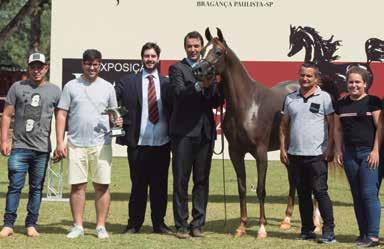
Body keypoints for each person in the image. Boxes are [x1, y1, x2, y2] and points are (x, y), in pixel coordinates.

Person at [54, 49, 120, 239]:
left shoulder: (108, 87)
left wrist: (117, 121)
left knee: (102, 186)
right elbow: (61, 114)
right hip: (75, 143)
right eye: (88, 64)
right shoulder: (70, 86)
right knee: (77, 186)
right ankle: (78, 226)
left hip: (101, 144)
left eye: (95, 64)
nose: (92, 67)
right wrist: (60, 142)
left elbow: (114, 114)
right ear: (82, 64)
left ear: (100, 65)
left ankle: (100, 226)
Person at [168, 31, 223, 239]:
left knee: (202, 180)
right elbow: (179, 94)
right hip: (182, 134)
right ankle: (181, 225)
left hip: (205, 134)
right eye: (189, 46)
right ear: (185, 48)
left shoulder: (209, 68)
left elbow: (215, 102)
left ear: (201, 47)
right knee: (181, 181)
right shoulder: (177, 68)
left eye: (196, 46)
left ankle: (198, 224)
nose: (193, 49)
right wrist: (200, 85)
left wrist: (215, 88)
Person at [0, 52, 61, 238]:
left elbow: (60, 117)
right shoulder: (17, 87)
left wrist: (60, 143)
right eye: (33, 67)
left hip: (42, 149)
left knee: (36, 188)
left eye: (40, 67)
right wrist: (4, 140)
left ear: (46, 68)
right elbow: (7, 115)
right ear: (28, 68)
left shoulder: (55, 91)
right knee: (15, 186)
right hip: (19, 147)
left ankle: (31, 224)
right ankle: (8, 224)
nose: (36, 70)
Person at [115, 42, 172, 235]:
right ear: (142, 58)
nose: (149, 59)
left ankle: (159, 224)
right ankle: (134, 224)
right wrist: (117, 116)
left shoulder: (167, 83)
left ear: (158, 58)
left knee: (160, 187)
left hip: (162, 143)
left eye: (153, 56)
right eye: (146, 56)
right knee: (138, 186)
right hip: (137, 144)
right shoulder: (128, 82)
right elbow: (112, 101)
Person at [279, 62, 336, 243]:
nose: (305, 79)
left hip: (317, 154)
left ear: (316, 78)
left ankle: (329, 232)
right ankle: (306, 230)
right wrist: (282, 148)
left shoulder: (324, 97)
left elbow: (333, 125)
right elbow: (283, 126)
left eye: (309, 76)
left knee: (320, 192)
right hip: (296, 154)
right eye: (302, 75)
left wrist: (331, 147)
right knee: (302, 194)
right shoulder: (290, 99)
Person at [334, 66, 383, 247]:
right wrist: (338, 150)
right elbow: (337, 129)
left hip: (370, 154)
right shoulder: (341, 105)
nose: (354, 85)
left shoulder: (374, 102)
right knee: (356, 195)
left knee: (369, 194)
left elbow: (380, 128)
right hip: (350, 154)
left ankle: (373, 236)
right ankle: (363, 234)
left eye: (358, 82)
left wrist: (376, 151)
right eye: (351, 82)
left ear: (365, 84)